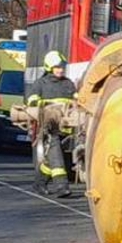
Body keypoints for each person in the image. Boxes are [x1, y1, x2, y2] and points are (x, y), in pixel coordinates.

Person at [27, 50, 78, 197]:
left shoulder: (68, 84)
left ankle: (39, 183)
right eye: (57, 67)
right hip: (47, 127)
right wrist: (43, 103)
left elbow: (78, 99)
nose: (60, 69)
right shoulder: (40, 84)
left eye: (62, 67)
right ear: (49, 68)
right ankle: (62, 185)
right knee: (55, 153)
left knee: (51, 159)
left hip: (67, 129)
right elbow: (32, 101)